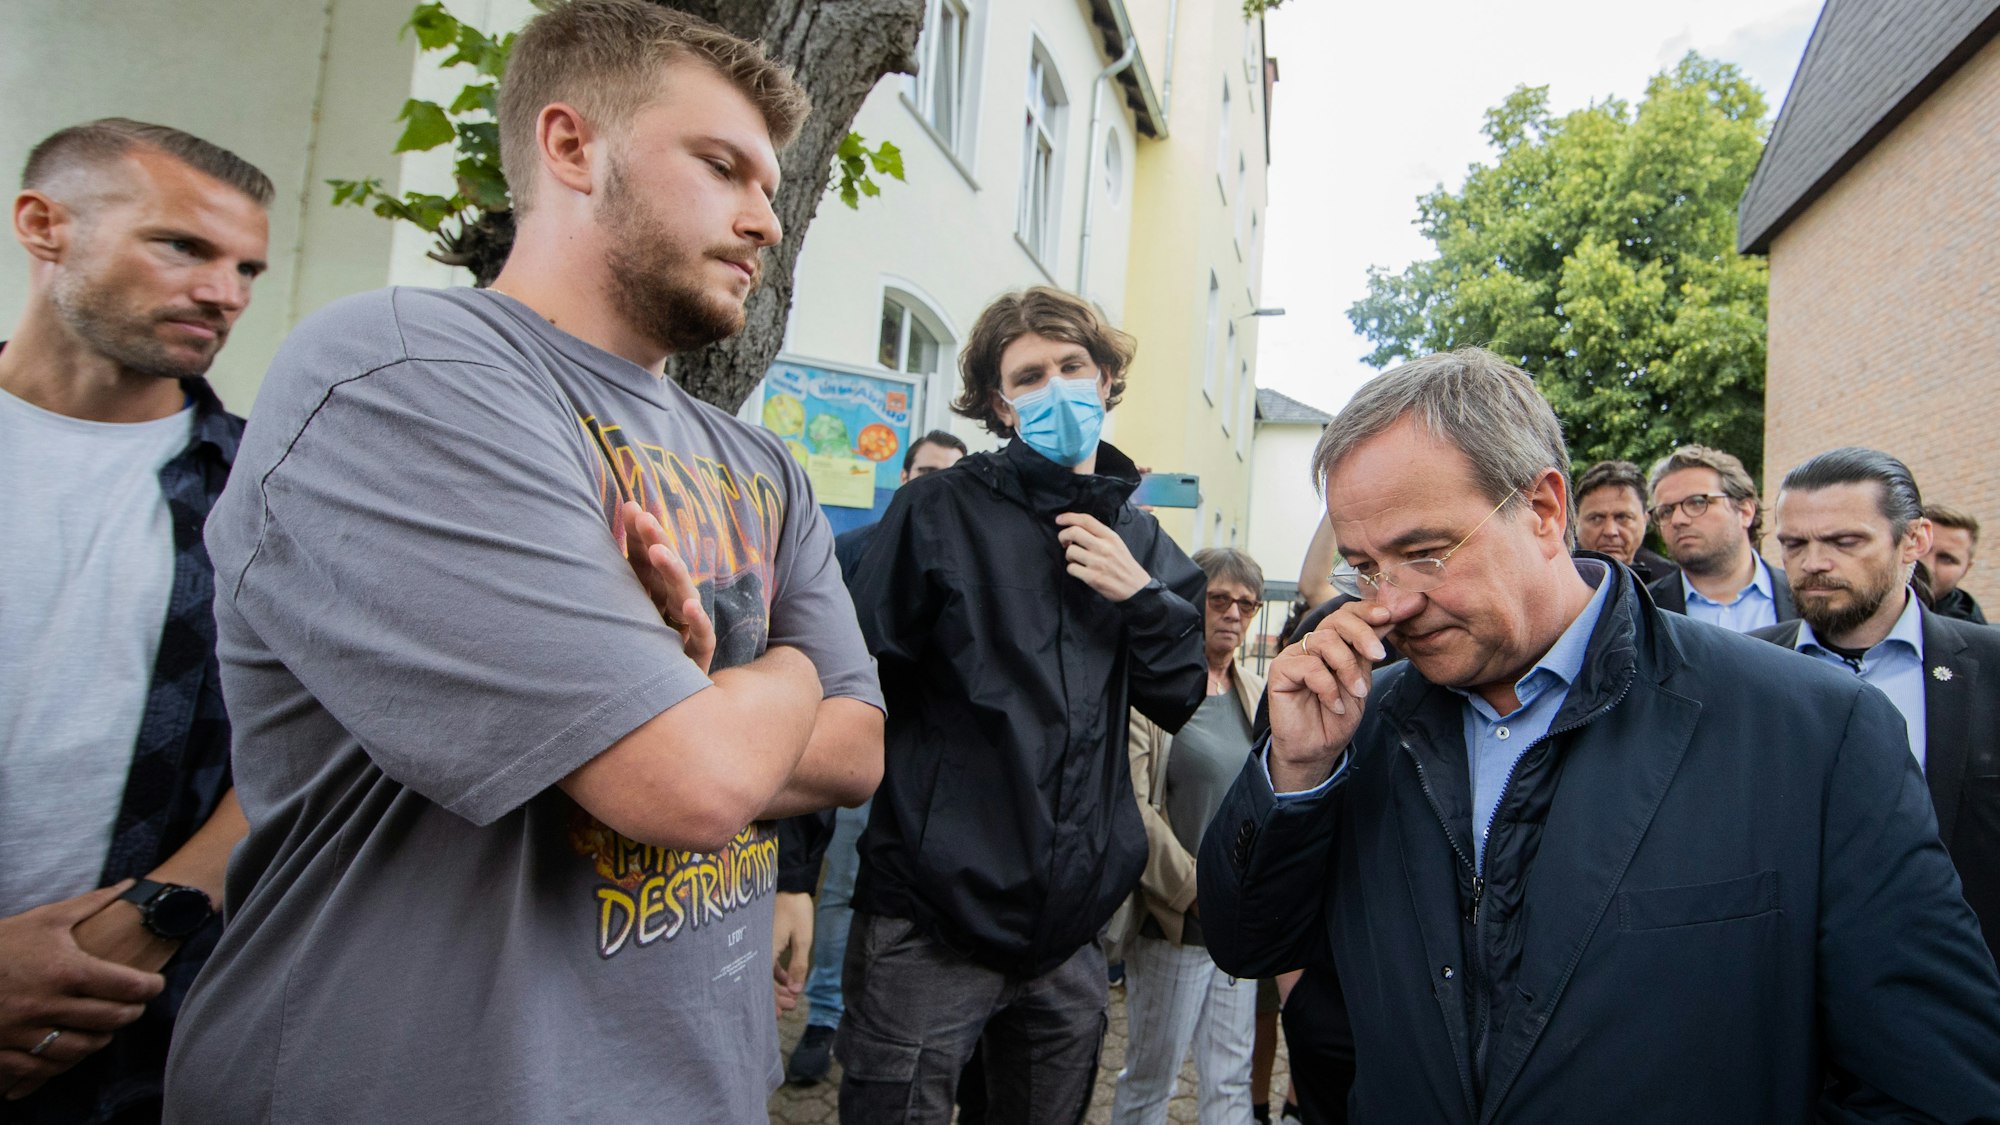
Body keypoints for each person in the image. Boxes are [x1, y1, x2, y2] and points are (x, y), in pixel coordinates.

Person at [161, 4, 883, 1121]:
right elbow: (685, 782)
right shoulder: (401, 370)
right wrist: (783, 672)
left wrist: (690, 708)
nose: (765, 221)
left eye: (770, 187)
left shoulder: (762, 461)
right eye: (722, 167)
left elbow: (859, 747)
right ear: (570, 146)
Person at [1197, 347, 2000, 1121]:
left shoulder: (1813, 729)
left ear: (1544, 510)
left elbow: (1932, 1080)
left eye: (1426, 553)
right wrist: (1295, 771)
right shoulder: (1357, 723)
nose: (1390, 602)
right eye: (1367, 567)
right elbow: (1245, 942)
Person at [838, 286, 1207, 1124]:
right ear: (1002, 405)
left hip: (1067, 941)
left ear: (1105, 379)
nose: (1056, 388)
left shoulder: (1140, 538)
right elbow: (846, 681)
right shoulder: (939, 510)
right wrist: (799, 874)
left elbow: (1182, 690)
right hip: (931, 924)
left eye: (1072, 366)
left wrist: (1142, 597)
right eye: (1030, 376)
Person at [0, 118, 270, 1124]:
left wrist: (148, 921)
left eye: (246, 268)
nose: (225, 292)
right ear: (44, 225)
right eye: (182, 247)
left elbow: (334, 733)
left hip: (139, 1034)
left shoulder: (271, 489)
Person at [1751, 448, 2000, 965]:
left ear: (1914, 540)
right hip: (1786, 979)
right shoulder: (1742, 669)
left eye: (1845, 542)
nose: (1814, 563)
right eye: (1794, 544)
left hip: (1958, 979)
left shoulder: (1990, 667)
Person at [783, 425, 967, 1086]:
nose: (936, 488)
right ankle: (825, 1014)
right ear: (904, 478)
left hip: (931, 772)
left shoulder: (970, 567)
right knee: (839, 888)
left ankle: (900, 1019)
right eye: (926, 474)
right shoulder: (850, 552)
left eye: (952, 477)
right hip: (857, 752)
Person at [1112, 548, 1268, 1125]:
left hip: (1238, 926)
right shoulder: (1149, 693)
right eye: (1218, 599)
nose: (1233, 614)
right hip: (1174, 921)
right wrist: (1199, 893)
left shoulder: (1256, 692)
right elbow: (1131, 806)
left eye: (1247, 605)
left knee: (1228, 1081)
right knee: (1151, 1078)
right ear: (1187, 601)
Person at [1644, 444, 1798, 630]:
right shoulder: (1640, 611)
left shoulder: (1805, 594)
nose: (1677, 520)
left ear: (1745, 512)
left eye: (1697, 502)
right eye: (1666, 511)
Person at [1573, 459, 1677, 585]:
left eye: (1622, 517)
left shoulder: (1671, 585)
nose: (1610, 531)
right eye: (1596, 518)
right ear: (1576, 522)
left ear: (1645, 520)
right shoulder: (1556, 580)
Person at [1923, 503, 1987, 624]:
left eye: (1946, 559)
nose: (1927, 566)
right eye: (1921, 548)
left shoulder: (1969, 631)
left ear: (1966, 569)